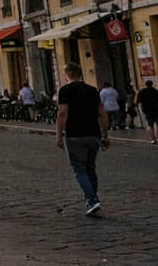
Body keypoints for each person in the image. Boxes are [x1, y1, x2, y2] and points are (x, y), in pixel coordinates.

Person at [55, 62, 110, 216]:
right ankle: (90, 199)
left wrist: (59, 135)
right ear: (80, 74)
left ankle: (93, 200)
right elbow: (103, 114)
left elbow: (62, 113)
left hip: (75, 135)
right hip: (93, 135)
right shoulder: (92, 90)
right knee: (90, 168)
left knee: (79, 169)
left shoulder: (65, 90)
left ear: (68, 74)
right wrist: (105, 135)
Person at [136, 80, 158, 145]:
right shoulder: (155, 91)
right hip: (156, 109)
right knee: (157, 124)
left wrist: (141, 110)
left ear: (145, 84)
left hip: (147, 110)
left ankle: (153, 139)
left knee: (150, 125)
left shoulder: (142, 91)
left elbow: (139, 102)